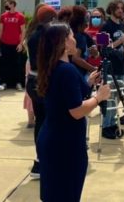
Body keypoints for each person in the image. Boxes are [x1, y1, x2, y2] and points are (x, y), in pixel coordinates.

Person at [36, 23, 110, 202]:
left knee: (54, 194)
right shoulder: (67, 70)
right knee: (66, 194)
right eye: (71, 36)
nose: (75, 39)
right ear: (63, 42)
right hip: (65, 143)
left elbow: (65, 98)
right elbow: (76, 111)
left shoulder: (53, 67)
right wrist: (99, 97)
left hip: (53, 138)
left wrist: (88, 84)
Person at [24, 4, 57, 179]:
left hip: (33, 80)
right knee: (49, 121)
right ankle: (44, 161)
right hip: (45, 81)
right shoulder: (49, 37)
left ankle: (39, 159)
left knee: (40, 120)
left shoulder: (32, 35)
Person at [99, 0, 124, 139]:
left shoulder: (122, 26)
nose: (121, 11)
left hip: (122, 67)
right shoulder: (105, 27)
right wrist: (122, 41)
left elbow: (123, 49)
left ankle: (114, 124)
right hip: (110, 69)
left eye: (122, 8)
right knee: (109, 99)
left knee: (116, 99)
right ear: (111, 10)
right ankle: (106, 127)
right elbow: (103, 50)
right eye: (118, 8)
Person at [0, 0, 27, 92]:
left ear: (12, 4)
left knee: (17, 64)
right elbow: (0, 29)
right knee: (5, 63)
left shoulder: (20, 16)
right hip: (5, 43)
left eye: (7, 3)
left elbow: (23, 31)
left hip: (16, 44)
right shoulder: (3, 16)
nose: (6, 5)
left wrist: (21, 44)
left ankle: (18, 83)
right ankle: (4, 82)